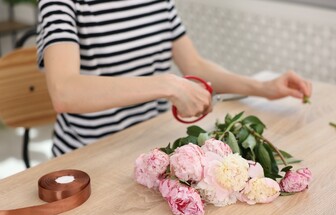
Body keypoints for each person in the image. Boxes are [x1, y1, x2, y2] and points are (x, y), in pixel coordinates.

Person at [36, 0, 312, 157]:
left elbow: (194, 65)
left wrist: (263, 87)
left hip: (149, 147)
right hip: (88, 159)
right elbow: (65, 91)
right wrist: (168, 84)